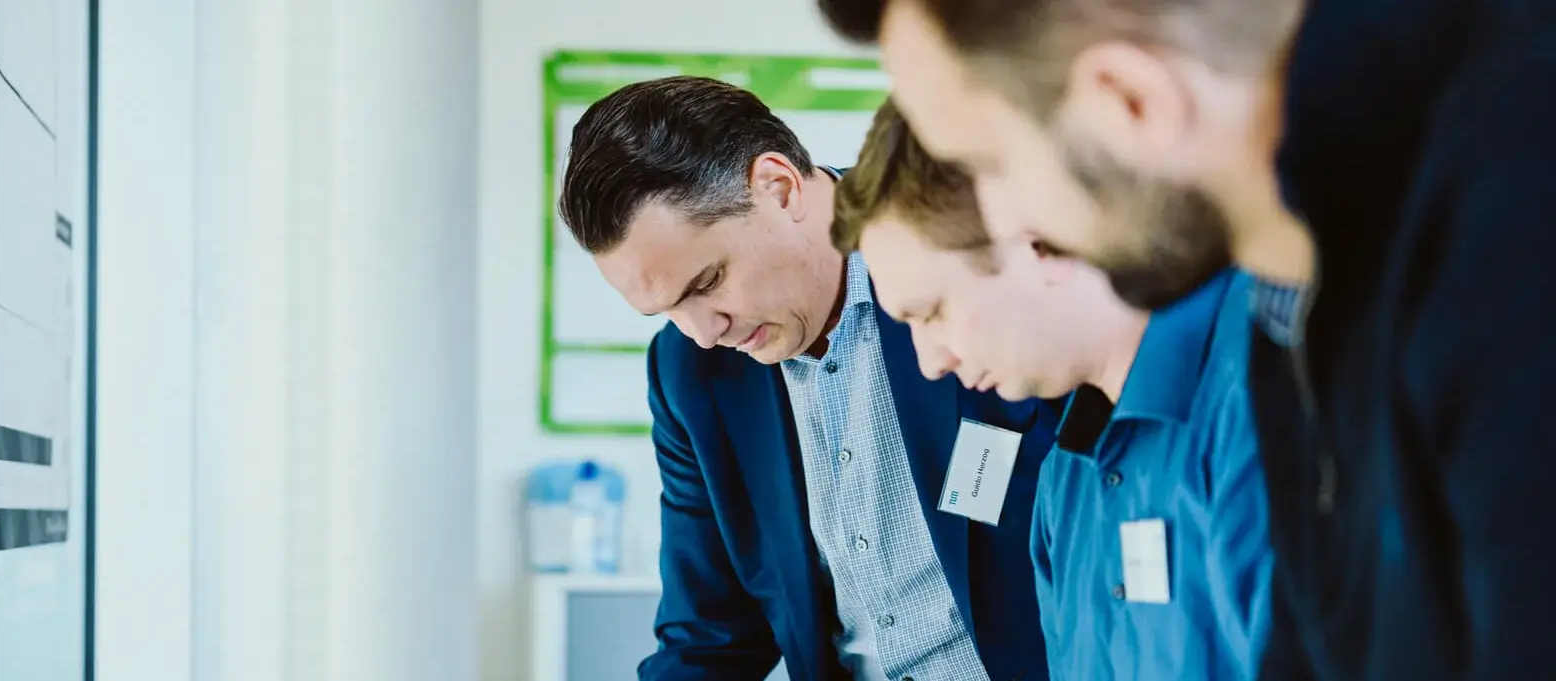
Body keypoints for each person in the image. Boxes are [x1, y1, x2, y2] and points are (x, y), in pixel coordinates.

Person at [818, 0, 1556, 678]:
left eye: (990, 166)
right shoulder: (1295, 302)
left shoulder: (1506, 220)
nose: (1011, 225)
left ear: (1129, 101)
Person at [558, 75, 1059, 681]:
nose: (702, 331)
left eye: (707, 282)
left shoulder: (960, 246)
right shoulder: (689, 372)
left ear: (778, 187)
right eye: (666, 309)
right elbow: (709, 636)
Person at [833, 102, 1273, 680]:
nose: (929, 362)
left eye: (933, 313)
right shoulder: (1065, 482)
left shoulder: (1264, 403)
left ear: (1038, 239)